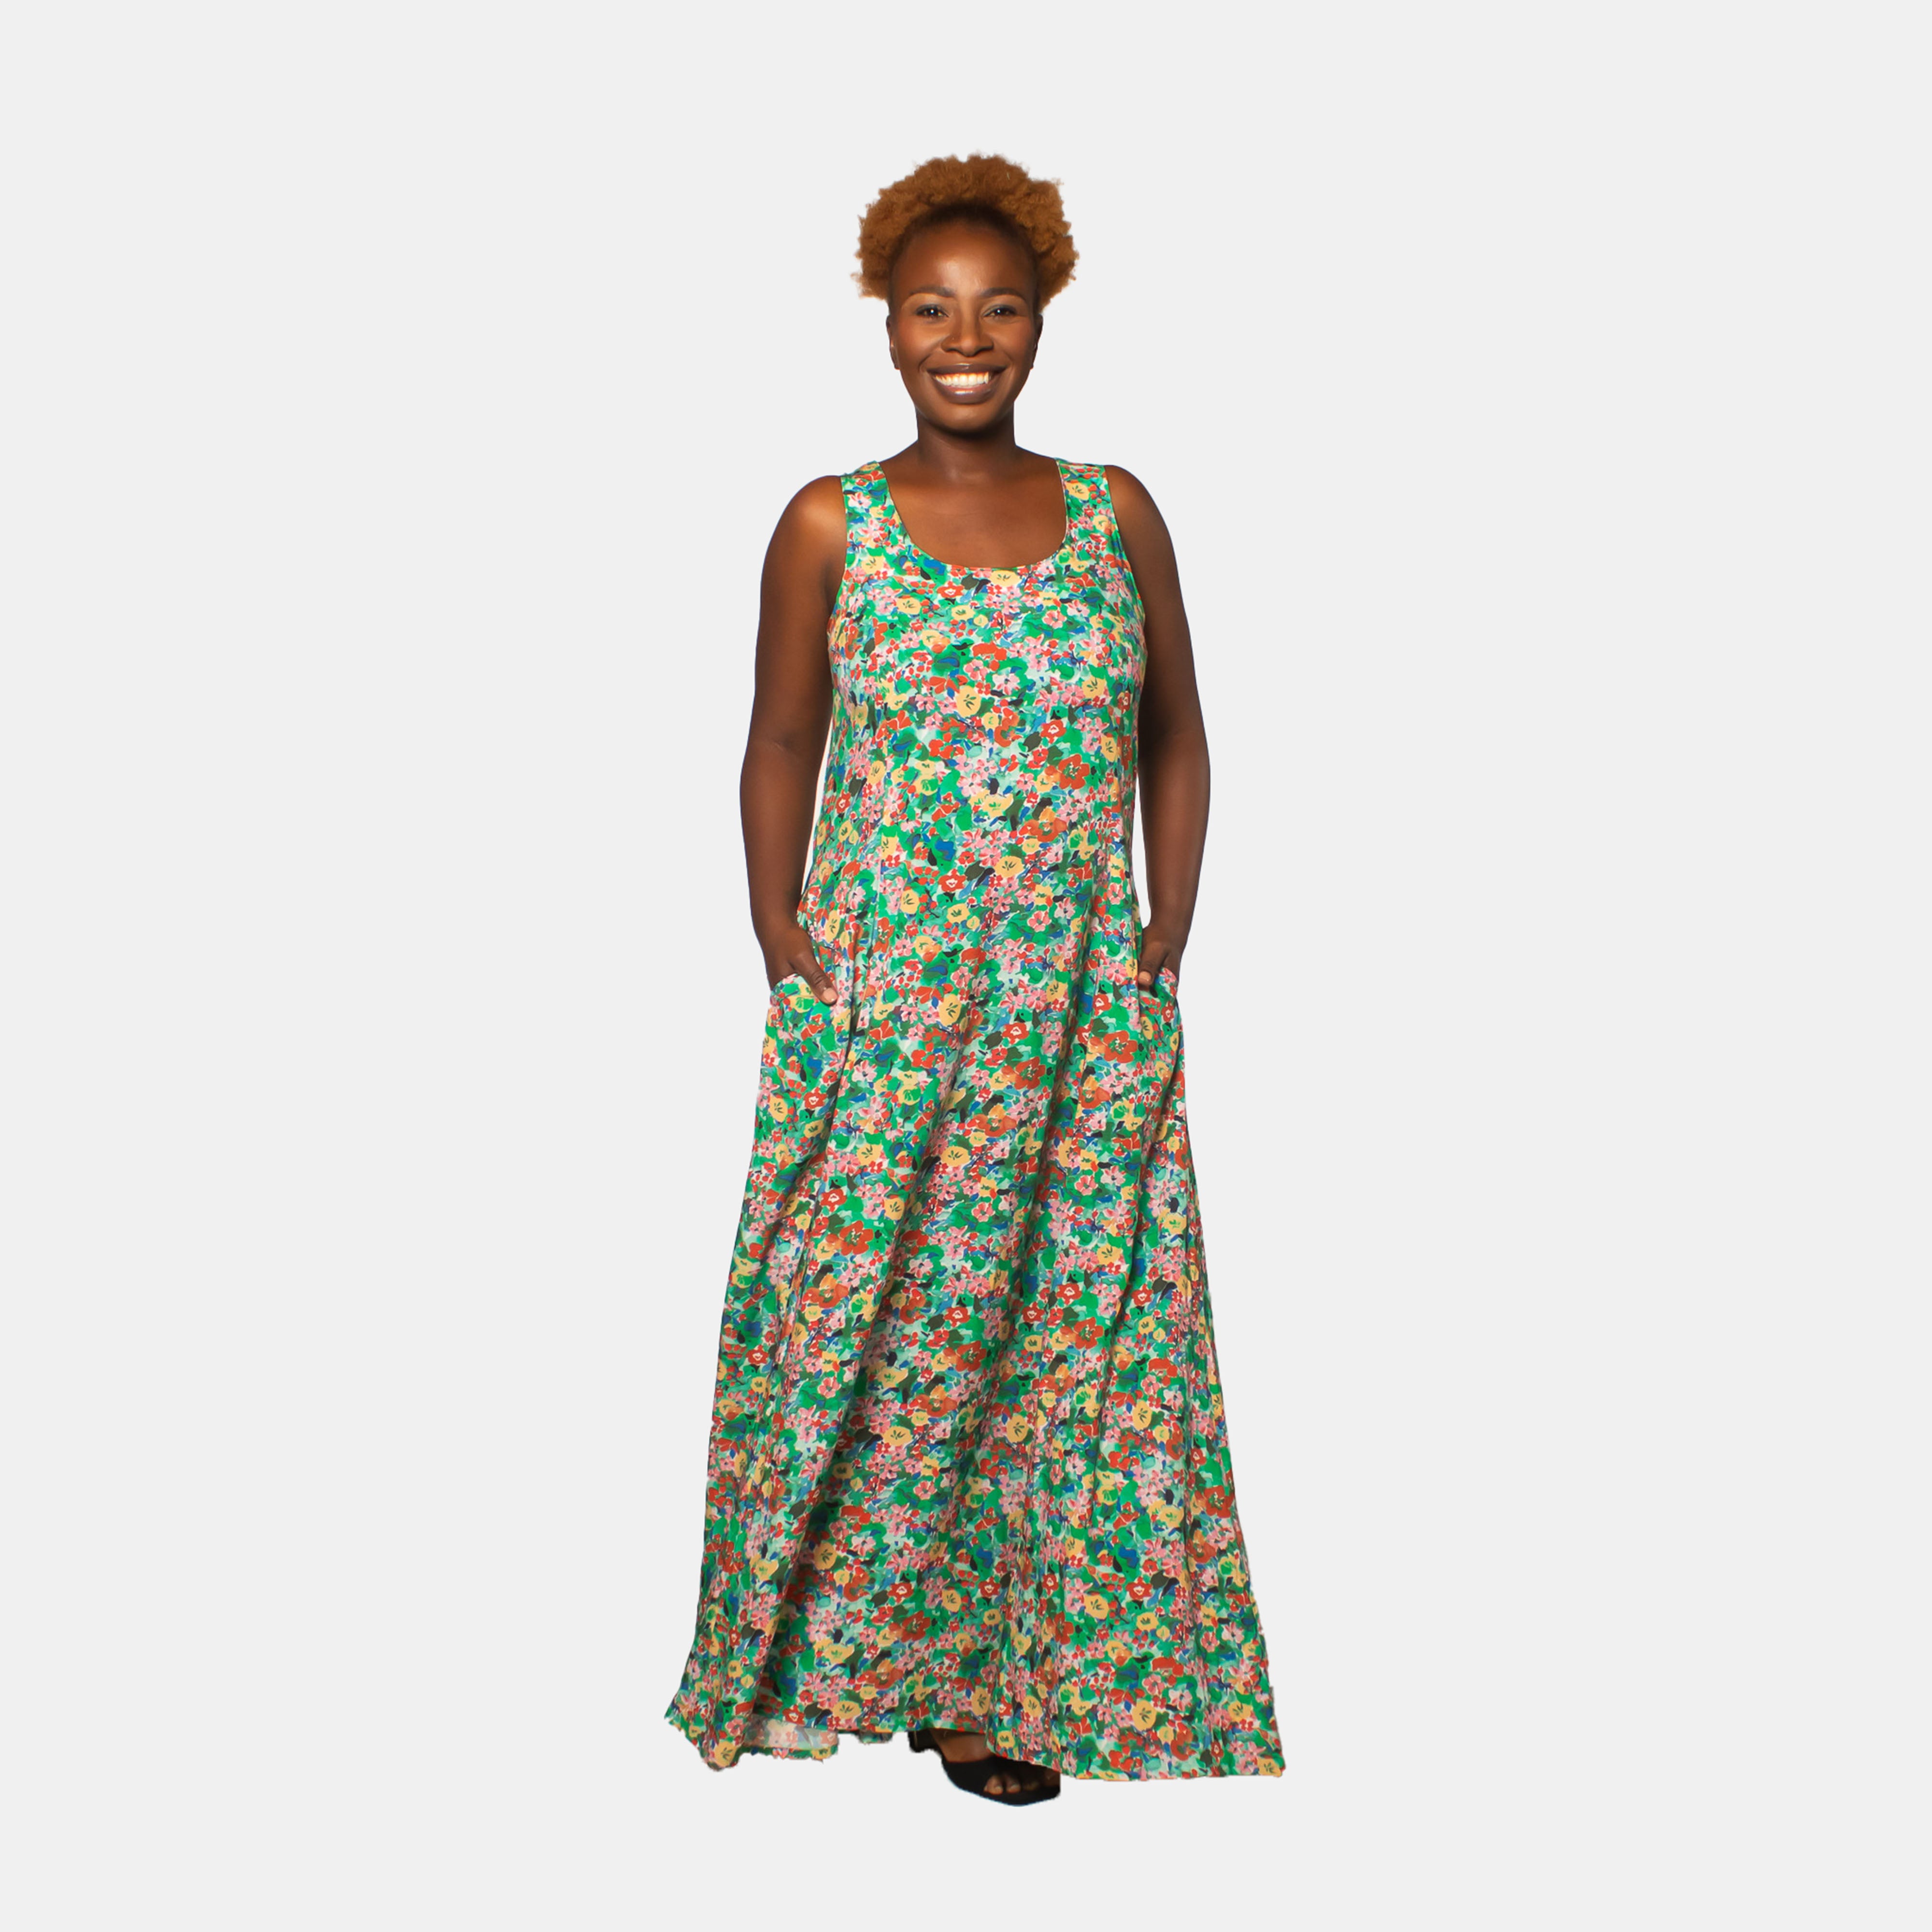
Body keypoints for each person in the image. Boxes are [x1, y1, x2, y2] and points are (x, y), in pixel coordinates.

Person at [665, 154, 1283, 1803]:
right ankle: (843, 1664)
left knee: (1065, 1350)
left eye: (998, 309)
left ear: (1041, 322)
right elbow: (780, 738)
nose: (965, 340)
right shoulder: (830, 524)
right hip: (889, 1015)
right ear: (885, 324)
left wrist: (1166, 926)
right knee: (869, 1339)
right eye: (931, 310)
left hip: (1076, 1020)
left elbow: (1178, 732)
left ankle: (1010, 1695)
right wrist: (782, 938)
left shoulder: (1115, 511)